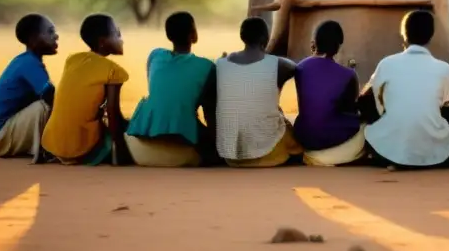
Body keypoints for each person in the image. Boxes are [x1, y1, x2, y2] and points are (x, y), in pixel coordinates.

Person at [362, 10, 449, 169]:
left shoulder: (387, 63)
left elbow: (368, 96)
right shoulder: (444, 69)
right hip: (435, 152)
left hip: (388, 149)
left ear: (403, 34)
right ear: (431, 35)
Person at [125, 11, 217, 167]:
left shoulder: (155, 56)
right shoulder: (207, 66)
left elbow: (159, 89)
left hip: (145, 127)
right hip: (180, 132)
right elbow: (210, 110)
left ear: (169, 36)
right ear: (193, 35)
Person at [41, 14, 130, 165]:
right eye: (117, 34)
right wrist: (122, 151)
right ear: (102, 42)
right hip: (81, 147)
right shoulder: (114, 71)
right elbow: (113, 112)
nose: (122, 39)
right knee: (126, 129)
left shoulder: (72, 60)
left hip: (52, 143)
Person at [215, 17, 301, 167]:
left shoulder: (221, 64)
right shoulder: (279, 65)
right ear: (267, 38)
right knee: (286, 124)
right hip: (267, 153)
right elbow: (296, 68)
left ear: (242, 37)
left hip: (230, 156)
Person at [0, 14, 59, 160]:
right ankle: (49, 148)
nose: (56, 36)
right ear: (33, 39)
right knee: (44, 106)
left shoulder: (28, 61)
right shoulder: (29, 63)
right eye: (50, 32)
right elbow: (51, 96)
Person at [293, 20, 365, 166]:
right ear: (338, 47)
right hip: (331, 137)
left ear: (314, 43)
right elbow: (351, 108)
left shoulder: (299, 67)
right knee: (367, 124)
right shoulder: (348, 74)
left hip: (304, 136)